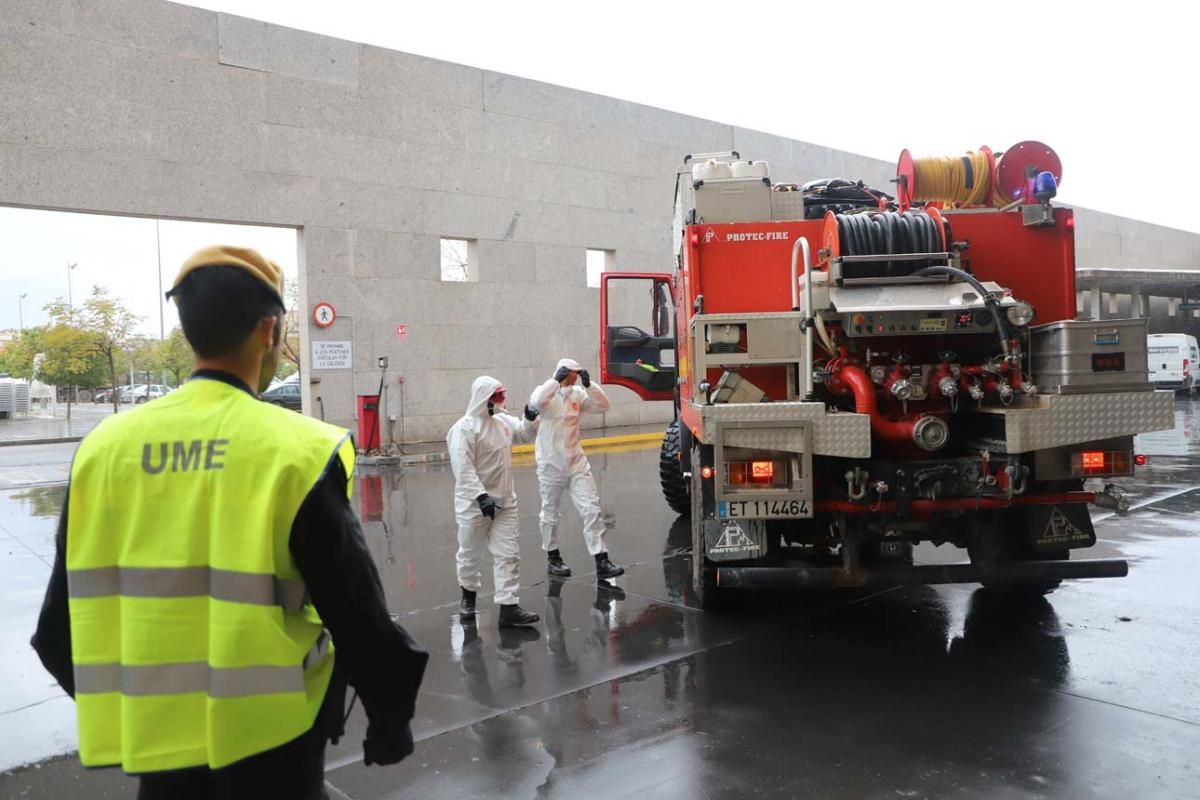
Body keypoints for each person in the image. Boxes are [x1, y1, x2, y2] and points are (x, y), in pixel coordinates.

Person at [31, 246, 428, 800]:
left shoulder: (103, 449)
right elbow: (358, 616)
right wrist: (390, 723)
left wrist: (147, 714)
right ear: (268, 329)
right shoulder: (297, 450)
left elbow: (56, 632)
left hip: (160, 759)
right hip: (277, 754)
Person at [447, 376, 541, 627]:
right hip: (474, 506)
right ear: (483, 398)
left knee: (508, 555)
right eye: (496, 397)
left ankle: (509, 607)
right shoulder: (464, 428)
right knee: (469, 554)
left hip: (505, 503)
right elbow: (463, 467)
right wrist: (480, 495)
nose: (500, 402)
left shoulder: (502, 422)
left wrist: (531, 418)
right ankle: (468, 598)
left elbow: (523, 433)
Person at [529, 358, 624, 580]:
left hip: (576, 462)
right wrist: (555, 381)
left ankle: (601, 559)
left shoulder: (578, 394)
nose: (576, 377)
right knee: (550, 513)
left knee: (591, 508)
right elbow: (538, 403)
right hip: (550, 463)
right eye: (573, 373)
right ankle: (553, 557)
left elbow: (603, 406)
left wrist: (591, 386)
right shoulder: (544, 392)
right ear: (563, 373)